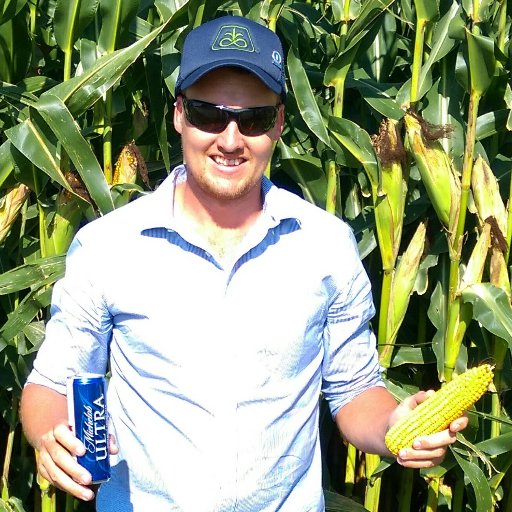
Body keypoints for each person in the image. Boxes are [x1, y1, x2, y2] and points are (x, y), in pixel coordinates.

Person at [20, 15, 468, 511]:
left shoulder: (325, 246)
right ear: (178, 116)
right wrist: (48, 437)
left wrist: (395, 427)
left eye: (252, 120)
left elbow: (354, 389)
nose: (230, 140)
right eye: (209, 115)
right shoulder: (109, 248)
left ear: (277, 124)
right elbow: (51, 385)